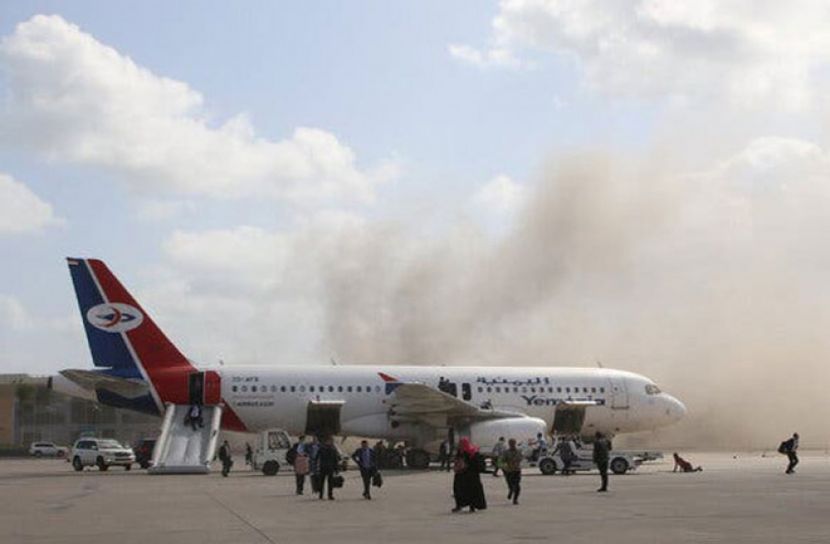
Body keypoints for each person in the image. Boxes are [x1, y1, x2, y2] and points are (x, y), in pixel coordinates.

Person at [451, 437, 487, 513]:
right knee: (458, 490)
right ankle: (460, 505)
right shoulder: (462, 451)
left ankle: (471, 506)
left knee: (470, 491)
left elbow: (476, 463)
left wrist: (467, 466)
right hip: (462, 474)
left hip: (469, 475)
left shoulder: (472, 452)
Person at [501, 438, 523, 505]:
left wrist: (516, 462)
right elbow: (502, 461)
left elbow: (521, 458)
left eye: (513, 443)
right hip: (509, 471)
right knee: (510, 485)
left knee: (517, 486)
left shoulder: (519, 451)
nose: (512, 445)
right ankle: (511, 491)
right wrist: (504, 467)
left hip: (517, 470)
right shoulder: (506, 452)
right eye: (511, 443)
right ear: (509, 444)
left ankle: (515, 499)